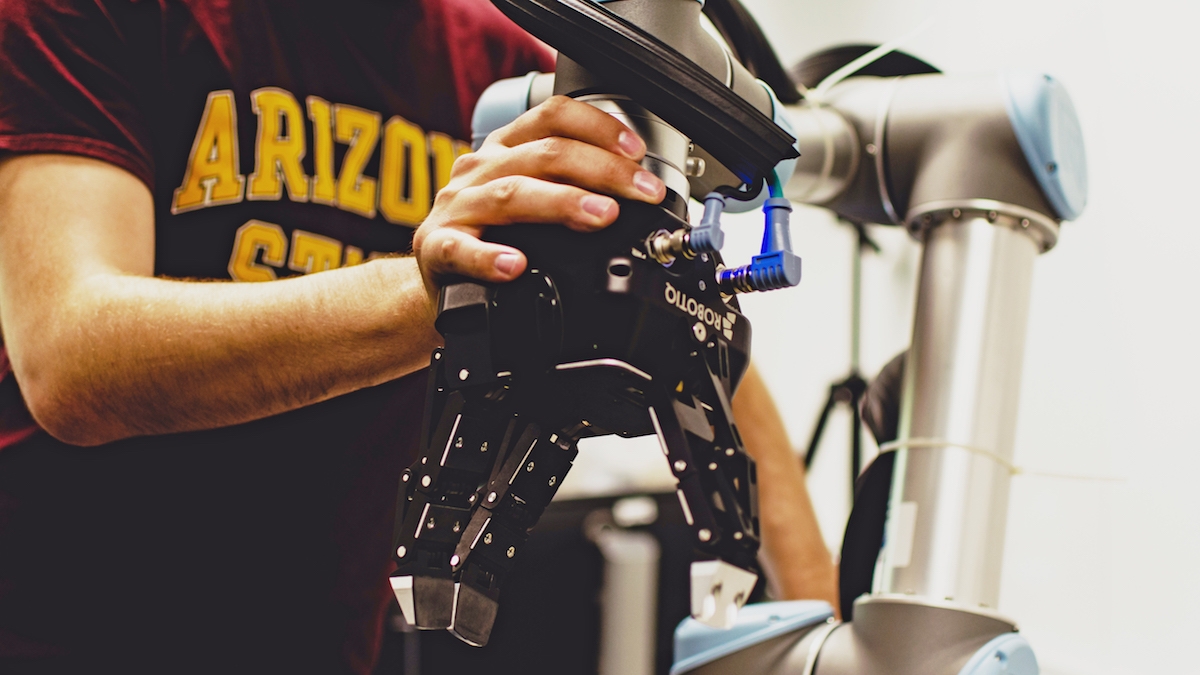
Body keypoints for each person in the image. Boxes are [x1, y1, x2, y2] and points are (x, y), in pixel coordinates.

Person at [0, 0, 835, 672]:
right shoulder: (90, 12)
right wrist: (438, 287)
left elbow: (691, 329)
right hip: (57, 634)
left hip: (324, 644)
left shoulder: (518, 55)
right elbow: (70, 357)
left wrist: (823, 627)